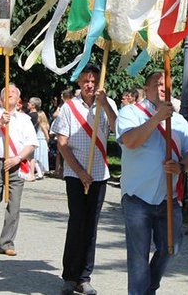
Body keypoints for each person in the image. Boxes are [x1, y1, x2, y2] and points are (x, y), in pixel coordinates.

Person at [116, 71, 188, 295]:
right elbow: (131, 141)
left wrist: (182, 167)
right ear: (147, 87)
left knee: (171, 248)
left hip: (168, 198)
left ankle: (149, 287)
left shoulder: (180, 120)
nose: (163, 88)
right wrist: (157, 119)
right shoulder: (129, 112)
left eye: (167, 85)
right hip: (137, 198)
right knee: (138, 256)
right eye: (158, 84)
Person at [53, 64, 118, 295]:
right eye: (85, 81)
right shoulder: (69, 107)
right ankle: (69, 275)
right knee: (77, 222)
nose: (90, 85)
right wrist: (79, 171)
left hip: (99, 173)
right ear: (79, 83)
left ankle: (84, 276)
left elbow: (117, 129)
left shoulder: (108, 104)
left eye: (93, 80)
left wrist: (105, 105)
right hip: (75, 173)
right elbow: (62, 143)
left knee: (91, 226)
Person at [0, 84, 38, 256]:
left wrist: (17, 158)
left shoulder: (24, 119)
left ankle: (7, 242)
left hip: (16, 163)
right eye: (6, 93)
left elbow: (31, 143)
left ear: (18, 99)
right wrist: (0, 123)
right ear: (1, 99)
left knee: (14, 205)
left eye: (13, 93)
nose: (10, 95)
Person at [27, 97, 50, 181]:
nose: (27, 104)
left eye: (29, 103)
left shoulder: (29, 116)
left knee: (33, 157)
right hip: (36, 139)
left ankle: (32, 173)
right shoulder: (38, 115)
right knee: (35, 157)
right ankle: (36, 173)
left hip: (34, 139)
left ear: (33, 105)